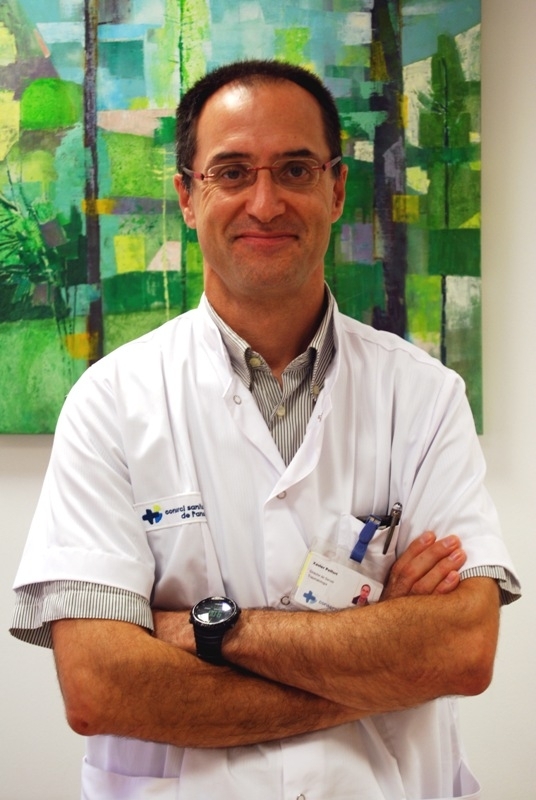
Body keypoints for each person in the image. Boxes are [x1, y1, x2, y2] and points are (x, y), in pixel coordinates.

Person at [10, 59, 520, 800]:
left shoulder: (426, 397)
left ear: (336, 189)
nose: (265, 201)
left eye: (295, 170)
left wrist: (204, 629)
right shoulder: (110, 404)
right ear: (187, 197)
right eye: (232, 172)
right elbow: (99, 687)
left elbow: (464, 650)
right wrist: (382, 662)